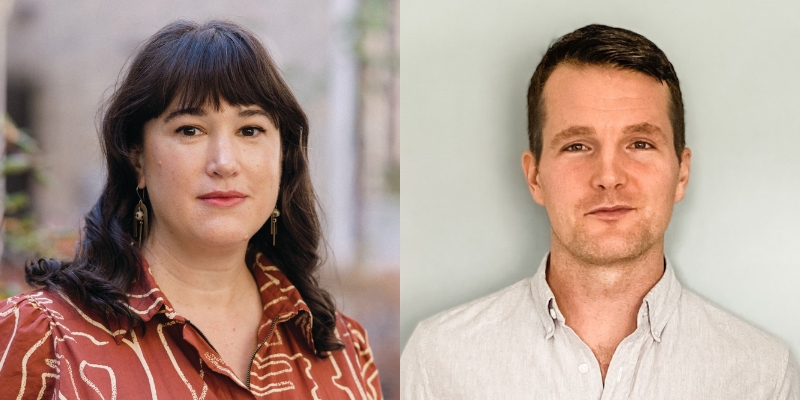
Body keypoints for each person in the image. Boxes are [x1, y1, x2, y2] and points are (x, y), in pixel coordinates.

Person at [401, 24, 799, 399]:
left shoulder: (761, 375)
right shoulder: (440, 359)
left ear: (681, 173)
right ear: (535, 176)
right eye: (577, 146)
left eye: (640, 144)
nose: (609, 177)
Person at [0, 20, 382, 399]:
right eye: (190, 130)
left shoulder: (343, 349)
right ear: (137, 158)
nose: (224, 162)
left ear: (282, 157)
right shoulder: (44, 340)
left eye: (250, 130)